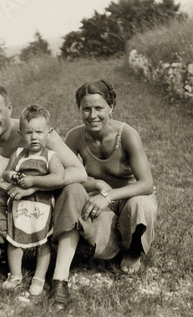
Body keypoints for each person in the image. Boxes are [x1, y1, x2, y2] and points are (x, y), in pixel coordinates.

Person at [0, 82, 87, 311]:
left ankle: (59, 278)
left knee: (74, 191)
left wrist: (35, 186)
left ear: (9, 108)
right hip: (9, 195)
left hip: (47, 191)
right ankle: (6, 265)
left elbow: (79, 172)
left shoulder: (34, 130)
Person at [65, 79, 158, 274]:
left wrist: (108, 195)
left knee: (142, 205)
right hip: (98, 198)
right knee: (78, 208)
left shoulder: (126, 134)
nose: (92, 116)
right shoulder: (74, 137)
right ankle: (112, 244)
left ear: (111, 107)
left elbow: (147, 184)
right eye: (86, 109)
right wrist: (96, 184)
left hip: (129, 197)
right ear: (79, 109)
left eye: (99, 108)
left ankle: (133, 252)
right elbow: (66, 177)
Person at [1, 104, 64, 296]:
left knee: (42, 241)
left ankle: (39, 277)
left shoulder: (50, 156)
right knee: (14, 240)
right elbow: (5, 173)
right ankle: (15, 274)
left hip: (41, 204)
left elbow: (59, 177)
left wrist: (34, 181)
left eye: (39, 132)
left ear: (49, 132)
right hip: (19, 205)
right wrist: (12, 176)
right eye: (28, 133)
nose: (34, 137)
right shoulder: (18, 155)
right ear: (21, 134)